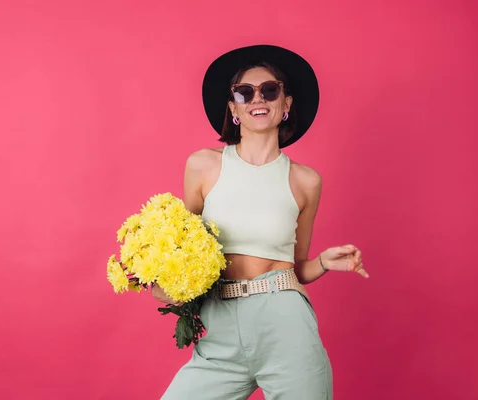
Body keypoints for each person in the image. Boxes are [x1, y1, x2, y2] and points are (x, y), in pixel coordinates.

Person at [153, 44, 369, 400]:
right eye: (245, 91)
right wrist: (165, 282)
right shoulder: (203, 165)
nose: (259, 98)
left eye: (271, 90)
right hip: (220, 322)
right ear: (233, 107)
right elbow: (185, 249)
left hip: (284, 322)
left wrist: (323, 263)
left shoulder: (305, 181)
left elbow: (296, 268)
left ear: (286, 104)